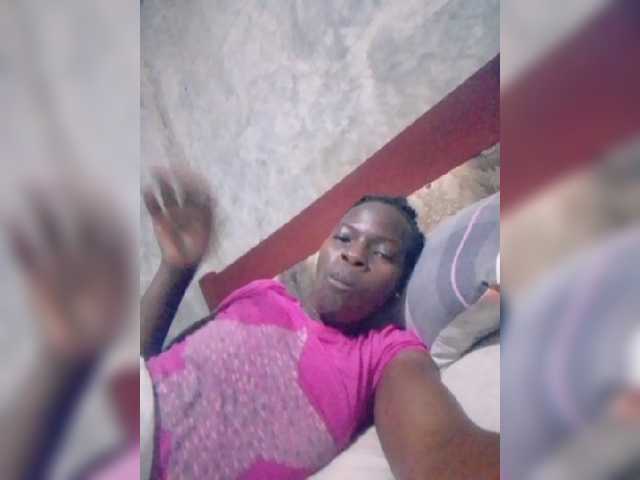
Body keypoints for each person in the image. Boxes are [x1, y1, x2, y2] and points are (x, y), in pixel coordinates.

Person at [141, 165, 499, 480]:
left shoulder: (382, 354)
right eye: (344, 237)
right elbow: (150, 369)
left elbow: (440, 452)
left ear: (398, 287)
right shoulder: (261, 293)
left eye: (382, 253)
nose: (353, 254)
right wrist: (176, 269)